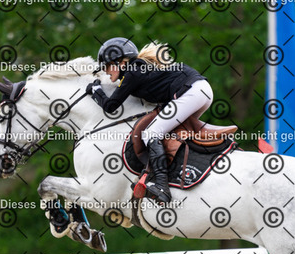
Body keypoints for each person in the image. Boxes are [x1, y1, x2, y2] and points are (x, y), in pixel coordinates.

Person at [86, 37, 213, 204]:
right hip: (200, 91)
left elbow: (110, 106)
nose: (105, 71)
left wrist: (96, 90)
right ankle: (179, 172)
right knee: (168, 134)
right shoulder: (138, 69)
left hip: (192, 92)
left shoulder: (132, 72)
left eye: (107, 66)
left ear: (121, 62)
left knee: (150, 134)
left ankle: (162, 186)